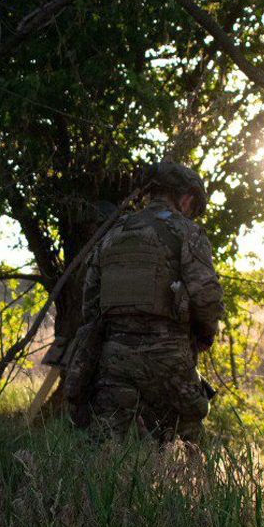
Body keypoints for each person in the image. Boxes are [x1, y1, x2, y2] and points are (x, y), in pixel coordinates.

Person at [72, 162, 223, 443]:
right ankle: (183, 485)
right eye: (193, 206)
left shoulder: (113, 233)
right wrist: (205, 335)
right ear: (186, 198)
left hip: (115, 356)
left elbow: (90, 301)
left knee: (107, 443)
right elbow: (206, 296)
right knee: (187, 439)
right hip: (170, 357)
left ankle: (96, 487)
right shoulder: (187, 232)